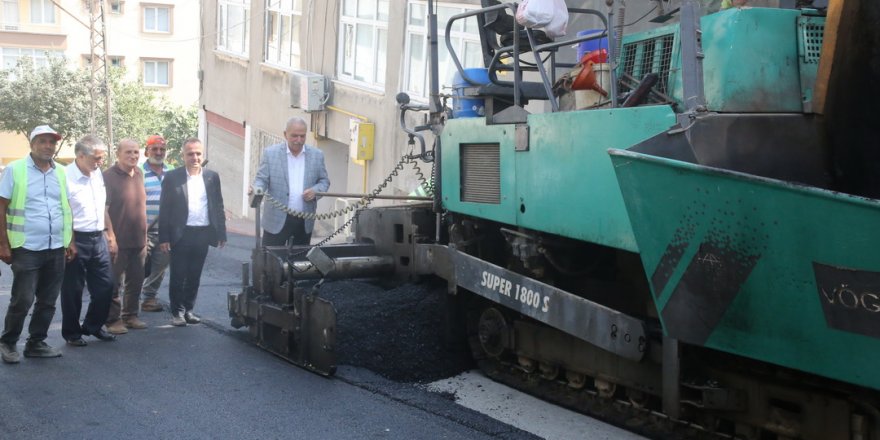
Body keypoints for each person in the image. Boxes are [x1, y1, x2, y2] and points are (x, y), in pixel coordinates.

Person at [0, 125, 74, 363]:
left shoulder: (61, 173)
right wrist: (3, 243)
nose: (48, 146)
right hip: (26, 246)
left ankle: (36, 342)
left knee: (48, 300)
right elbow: (1, 206)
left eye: (51, 142)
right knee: (22, 299)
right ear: (32, 144)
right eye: (42, 141)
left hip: (55, 247)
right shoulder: (15, 169)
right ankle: (8, 342)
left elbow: (65, 207)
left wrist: (69, 239)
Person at [158, 138, 226, 326]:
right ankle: (177, 313)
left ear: (202, 155)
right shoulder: (172, 178)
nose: (194, 157)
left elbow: (218, 205)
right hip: (181, 234)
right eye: (190, 154)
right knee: (179, 274)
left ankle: (189, 310)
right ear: (183, 156)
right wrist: (164, 237)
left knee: (194, 274)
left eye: (198, 153)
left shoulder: (212, 177)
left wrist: (221, 232)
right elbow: (164, 209)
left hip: (202, 233)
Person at [60, 135, 118, 346]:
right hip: (76, 238)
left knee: (106, 285)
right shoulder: (65, 176)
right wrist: (70, 241)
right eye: (96, 158)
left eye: (102, 158)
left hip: (98, 237)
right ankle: (72, 333)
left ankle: (93, 326)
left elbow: (101, 207)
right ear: (80, 155)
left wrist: (110, 234)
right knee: (72, 290)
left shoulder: (97, 174)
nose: (100, 162)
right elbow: (64, 212)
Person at [252, 117, 330, 246]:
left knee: (299, 262)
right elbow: (261, 179)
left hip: (304, 221)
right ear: (285, 134)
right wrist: (256, 189)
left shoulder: (317, 155)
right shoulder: (270, 154)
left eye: (302, 136)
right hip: (276, 220)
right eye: (294, 136)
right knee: (271, 262)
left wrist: (315, 191)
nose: (298, 140)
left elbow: (324, 181)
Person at [104, 139, 148, 333]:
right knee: (113, 283)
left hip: (139, 240)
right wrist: (111, 236)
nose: (133, 156)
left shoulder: (139, 174)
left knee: (136, 281)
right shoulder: (107, 177)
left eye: (136, 152)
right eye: (128, 152)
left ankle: (130, 316)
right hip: (117, 241)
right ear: (118, 154)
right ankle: (112, 320)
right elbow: (103, 210)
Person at [140, 135, 173, 312]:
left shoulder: (172, 172)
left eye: (162, 149)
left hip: (165, 231)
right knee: (137, 268)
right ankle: (127, 301)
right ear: (147, 151)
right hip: (142, 231)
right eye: (154, 149)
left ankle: (149, 298)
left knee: (160, 266)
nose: (159, 153)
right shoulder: (138, 172)